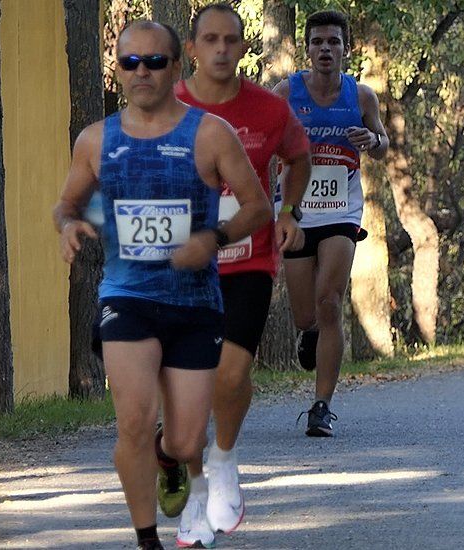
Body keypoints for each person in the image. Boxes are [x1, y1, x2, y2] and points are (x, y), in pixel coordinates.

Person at [52, 20, 271, 550]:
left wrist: (212, 238)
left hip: (194, 302)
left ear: (176, 68)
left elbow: (258, 207)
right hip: (126, 297)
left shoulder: (209, 133)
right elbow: (67, 203)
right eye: (130, 62)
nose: (141, 72)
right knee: (133, 419)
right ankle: (147, 538)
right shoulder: (96, 140)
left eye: (154, 62)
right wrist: (68, 225)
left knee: (186, 436)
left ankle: (170, 457)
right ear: (119, 71)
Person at [172, 4, 311, 547]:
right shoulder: (168, 105)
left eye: (232, 40)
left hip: (247, 260)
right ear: (192, 49)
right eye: (210, 40)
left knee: (229, 376)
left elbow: (298, 159)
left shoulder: (268, 110)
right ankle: (196, 490)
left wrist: (288, 212)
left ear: (243, 47)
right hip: (180, 265)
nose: (222, 49)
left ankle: (223, 458)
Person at [273, 10, 388, 438]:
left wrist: (371, 140)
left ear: (345, 48)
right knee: (306, 314)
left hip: (342, 209)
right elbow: (263, 138)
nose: (325, 49)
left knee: (330, 301)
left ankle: (322, 406)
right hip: (297, 211)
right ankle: (311, 334)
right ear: (308, 49)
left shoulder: (361, 97)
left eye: (333, 42)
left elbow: (382, 143)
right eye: (318, 42)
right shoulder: (287, 92)